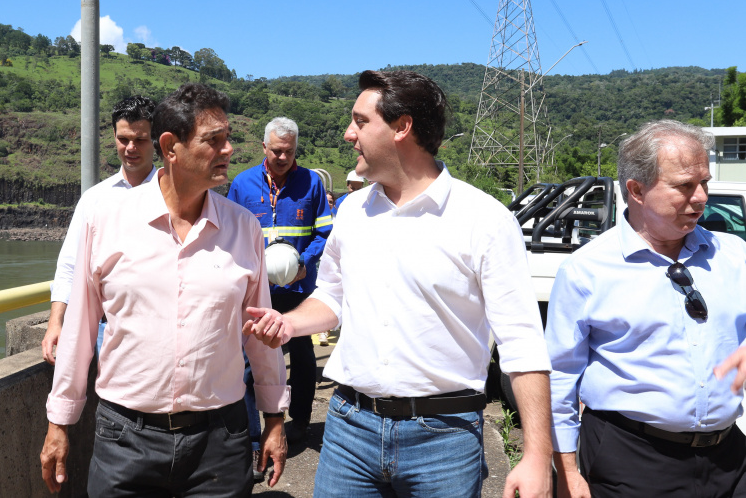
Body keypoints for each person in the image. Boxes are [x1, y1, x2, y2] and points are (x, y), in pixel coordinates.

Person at [244, 70, 553, 498]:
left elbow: (522, 343)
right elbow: (333, 295)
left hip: (443, 438)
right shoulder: (352, 211)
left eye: (361, 121)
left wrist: (537, 456)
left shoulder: (484, 220)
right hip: (349, 430)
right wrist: (288, 324)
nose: (350, 134)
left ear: (402, 127)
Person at [40, 83, 290, 496]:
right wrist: (59, 423)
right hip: (125, 438)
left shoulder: (244, 228)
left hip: (220, 443)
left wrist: (275, 421)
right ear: (171, 146)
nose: (228, 150)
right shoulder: (105, 220)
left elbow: (260, 336)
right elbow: (80, 331)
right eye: (214, 140)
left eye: (227, 139)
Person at [547, 120, 746, 498]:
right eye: (685, 186)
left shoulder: (735, 254)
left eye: (705, 182)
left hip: (730, 461)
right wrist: (566, 470)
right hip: (631, 461)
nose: (702, 197)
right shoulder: (586, 269)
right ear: (637, 190)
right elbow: (559, 378)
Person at [227, 116, 333, 447]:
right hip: (256, 291)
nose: (283, 158)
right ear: (264, 147)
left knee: (302, 360)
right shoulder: (243, 185)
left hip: (298, 289)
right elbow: (229, 234)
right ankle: (252, 436)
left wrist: (305, 261)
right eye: (276, 151)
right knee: (247, 361)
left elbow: (324, 232)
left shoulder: (312, 184)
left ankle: (299, 422)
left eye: (289, 151)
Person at [41, 95, 157, 364]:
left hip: (160, 330)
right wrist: (55, 323)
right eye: (123, 139)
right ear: (114, 136)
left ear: (156, 140)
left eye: (140, 139)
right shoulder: (94, 199)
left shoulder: (172, 196)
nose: (130, 147)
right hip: (106, 331)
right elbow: (70, 265)